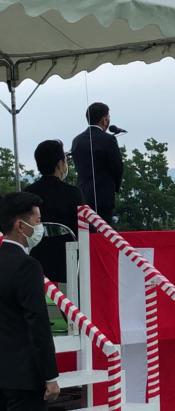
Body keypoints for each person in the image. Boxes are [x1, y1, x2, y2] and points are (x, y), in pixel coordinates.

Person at [0, 192, 60, 409]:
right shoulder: (27, 266)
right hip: (24, 377)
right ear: (20, 225)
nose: (40, 226)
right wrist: (50, 376)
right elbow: (38, 322)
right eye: (37, 220)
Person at [24, 140, 84, 283]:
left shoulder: (28, 194)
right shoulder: (73, 193)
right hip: (68, 267)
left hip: (36, 266)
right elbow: (84, 230)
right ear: (59, 164)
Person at [71, 102, 124, 223]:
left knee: (86, 235)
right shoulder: (109, 139)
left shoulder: (77, 140)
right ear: (104, 120)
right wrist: (115, 186)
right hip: (103, 196)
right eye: (108, 117)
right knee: (102, 236)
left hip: (82, 195)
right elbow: (117, 167)